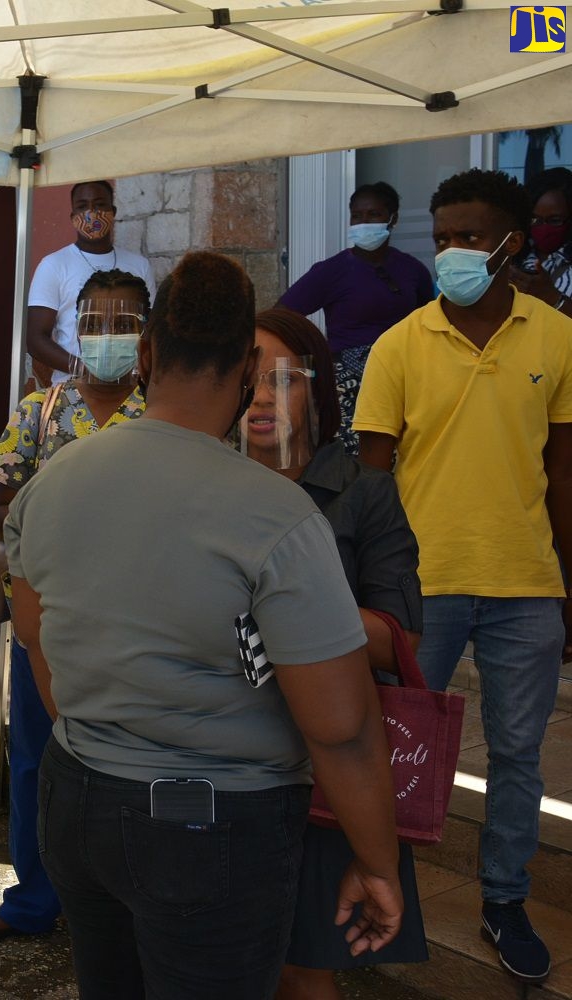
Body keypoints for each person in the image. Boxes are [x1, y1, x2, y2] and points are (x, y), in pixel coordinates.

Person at [7, 251, 404, 999]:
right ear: (249, 369)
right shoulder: (278, 517)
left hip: (77, 800)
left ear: (147, 353)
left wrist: (106, 746)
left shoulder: (50, 485)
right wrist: (376, 862)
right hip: (215, 822)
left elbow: (37, 642)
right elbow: (340, 725)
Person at [355, 168, 572, 985]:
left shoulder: (556, 338)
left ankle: (505, 900)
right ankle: (375, 885)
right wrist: (375, 596)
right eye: (442, 236)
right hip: (420, 589)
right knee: (389, 746)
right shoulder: (398, 345)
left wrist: (568, 587)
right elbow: (373, 487)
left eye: (472, 236)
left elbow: (564, 472)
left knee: (519, 755)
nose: (453, 251)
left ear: (512, 240)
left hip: (526, 585)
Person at [239, 307, 429, 999]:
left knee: (305, 961)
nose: (261, 396)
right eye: (246, 378)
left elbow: (400, 636)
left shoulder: (364, 492)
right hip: (225, 756)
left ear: (315, 393)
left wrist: (296, 611)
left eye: (280, 379)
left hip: (327, 765)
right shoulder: (206, 489)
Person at [0, 269, 149, 950]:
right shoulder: (39, 409)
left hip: (136, 630)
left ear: (146, 332)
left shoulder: (164, 412)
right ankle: (34, 900)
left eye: (123, 323)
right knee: (37, 765)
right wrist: (82, 497)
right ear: (74, 328)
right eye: (94, 322)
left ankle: (123, 904)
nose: (107, 336)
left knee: (129, 765)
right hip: (47, 624)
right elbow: (3, 503)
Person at [277, 181, 435, 453]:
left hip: (405, 380)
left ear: (393, 218)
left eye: (373, 214)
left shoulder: (412, 270)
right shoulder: (331, 271)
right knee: (357, 462)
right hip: (349, 386)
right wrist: (315, 358)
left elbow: (430, 321)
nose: (364, 222)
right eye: (357, 215)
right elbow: (282, 315)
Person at [25, 180, 156, 382]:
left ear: (113, 211)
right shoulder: (54, 265)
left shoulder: (139, 266)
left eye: (100, 204)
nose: (91, 212)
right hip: (72, 387)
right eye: (82, 206)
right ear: (73, 216)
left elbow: (150, 330)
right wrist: (85, 370)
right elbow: (35, 339)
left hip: (129, 388)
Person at [511, 167, 572, 319]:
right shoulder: (514, 257)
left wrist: (552, 297)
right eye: (534, 220)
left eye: (554, 220)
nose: (543, 228)